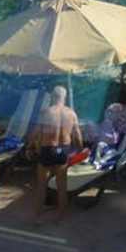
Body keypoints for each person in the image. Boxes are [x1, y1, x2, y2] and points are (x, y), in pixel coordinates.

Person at [29, 85, 82, 223]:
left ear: (53, 96)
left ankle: (37, 216)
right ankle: (60, 217)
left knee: (42, 185)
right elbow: (77, 135)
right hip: (63, 150)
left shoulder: (46, 112)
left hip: (48, 149)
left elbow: (35, 132)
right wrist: (80, 150)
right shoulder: (72, 113)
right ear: (65, 97)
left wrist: (29, 146)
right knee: (61, 186)